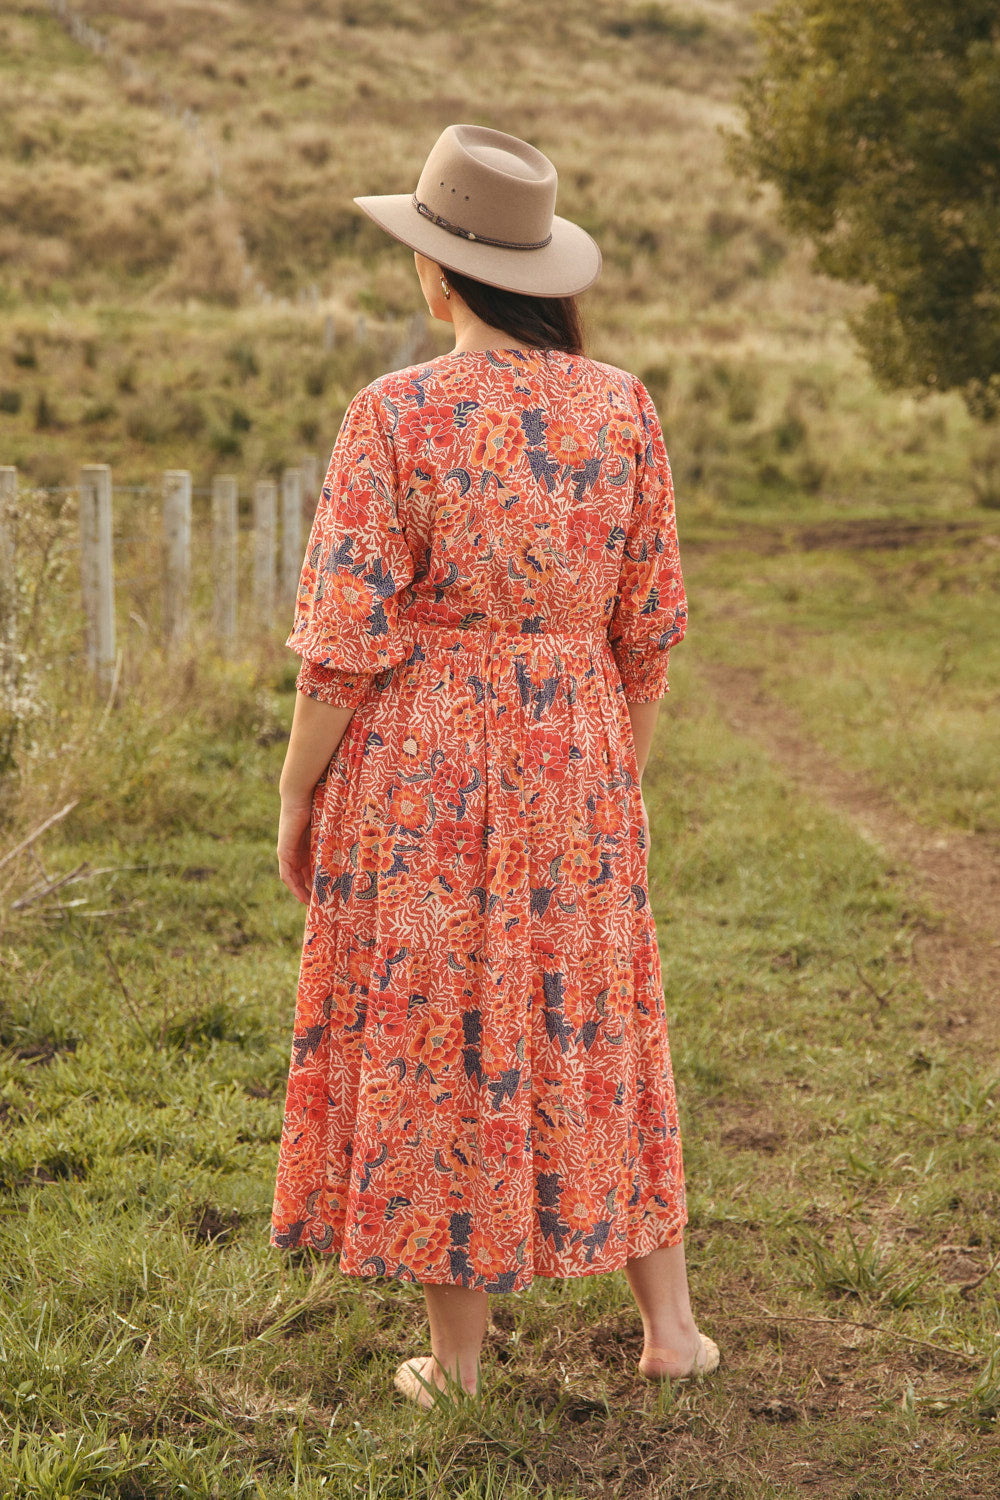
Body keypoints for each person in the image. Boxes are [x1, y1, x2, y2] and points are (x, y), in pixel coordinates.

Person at [273, 123, 719, 1410]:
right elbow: (650, 634)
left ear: (435, 271)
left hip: (422, 771)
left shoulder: (394, 415)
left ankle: (457, 1366)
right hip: (577, 750)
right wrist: (610, 782)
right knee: (608, 1023)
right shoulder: (621, 405)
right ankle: (671, 1332)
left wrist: (298, 789)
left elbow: (341, 647)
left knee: (434, 1038)